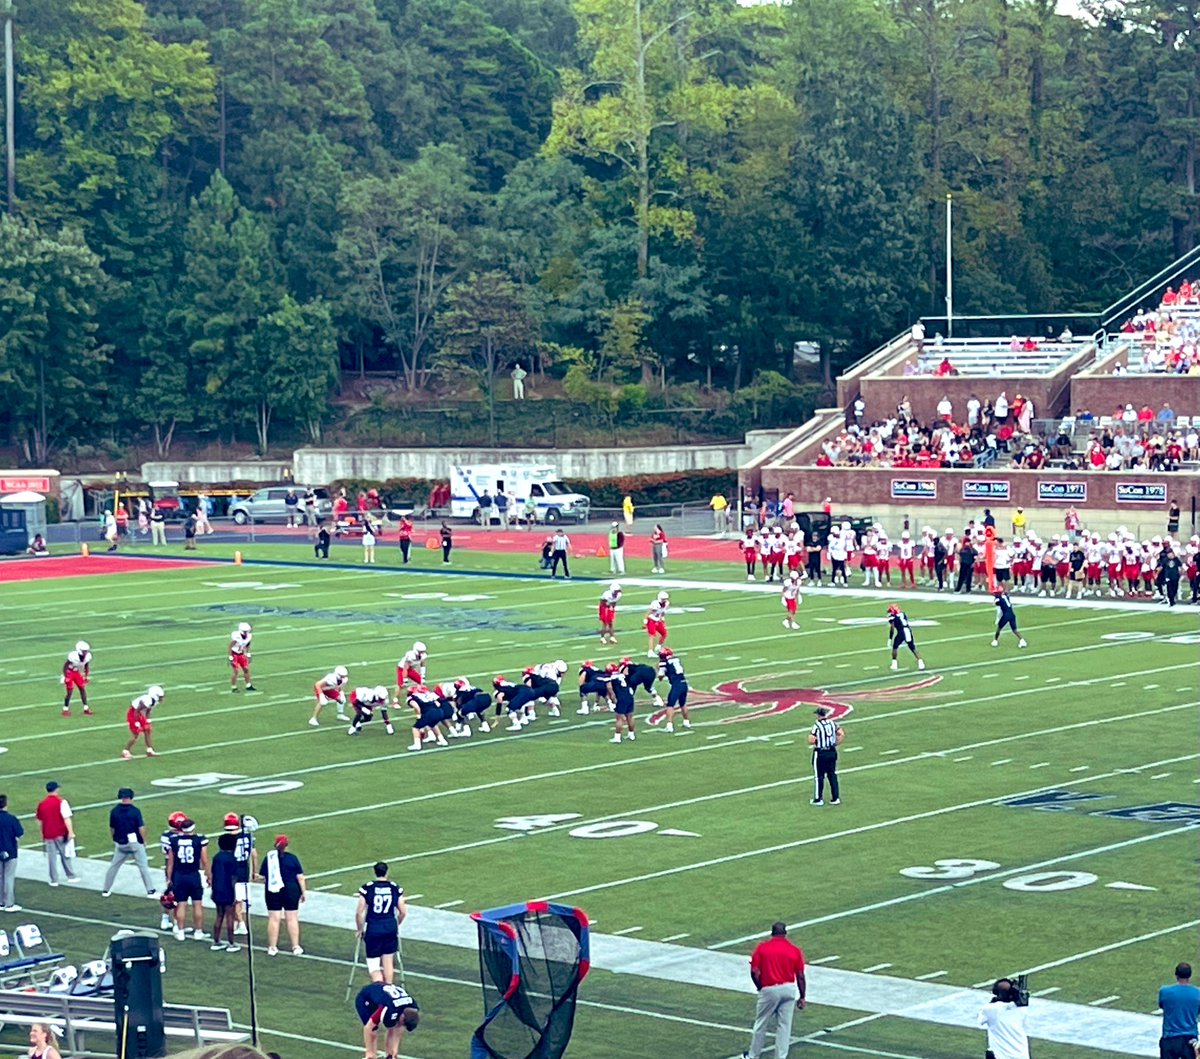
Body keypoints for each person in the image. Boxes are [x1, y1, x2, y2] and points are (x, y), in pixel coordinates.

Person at [741, 922, 805, 1059]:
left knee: (761, 1023)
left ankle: (753, 1055)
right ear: (785, 933)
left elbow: (754, 971)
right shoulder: (794, 950)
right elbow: (800, 976)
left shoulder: (762, 948)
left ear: (772, 933)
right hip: (789, 988)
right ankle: (780, 1057)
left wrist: (759, 986)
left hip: (769, 988)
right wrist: (802, 996)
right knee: (784, 1026)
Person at [356, 862, 408, 984]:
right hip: (390, 927)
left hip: (374, 928)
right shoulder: (394, 888)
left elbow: (359, 912)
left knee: (373, 965)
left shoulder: (368, 888)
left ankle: (379, 989)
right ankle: (388, 988)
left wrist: (360, 929)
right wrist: (396, 924)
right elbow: (403, 911)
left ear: (375, 872)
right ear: (387, 872)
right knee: (388, 961)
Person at [101, 787, 156, 897]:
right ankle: (150, 890)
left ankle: (106, 890)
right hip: (134, 842)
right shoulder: (135, 811)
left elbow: (112, 828)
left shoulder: (114, 811)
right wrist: (144, 841)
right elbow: (141, 828)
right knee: (143, 866)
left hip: (121, 842)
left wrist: (115, 839)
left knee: (114, 866)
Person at [259, 835, 306, 956]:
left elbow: (263, 876)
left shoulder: (269, 858)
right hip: (291, 890)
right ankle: (295, 946)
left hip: (273, 891)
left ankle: (272, 947)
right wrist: (303, 892)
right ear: (287, 845)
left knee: (274, 918)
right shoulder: (292, 858)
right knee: (292, 918)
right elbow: (300, 877)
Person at [167, 818, 210, 941]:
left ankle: (180, 932)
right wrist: (209, 876)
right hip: (193, 875)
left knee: (181, 904)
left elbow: (170, 862)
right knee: (197, 904)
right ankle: (198, 931)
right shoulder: (199, 840)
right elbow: (205, 860)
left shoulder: (174, 840)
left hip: (179, 876)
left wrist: (169, 878)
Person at [355, 982, 420, 1059]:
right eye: (403, 1023)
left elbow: (397, 1029)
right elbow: (369, 1027)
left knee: (396, 1027)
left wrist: (392, 1053)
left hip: (384, 996)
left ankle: (390, 1054)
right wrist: (370, 1053)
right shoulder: (389, 1009)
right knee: (373, 1030)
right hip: (366, 998)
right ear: (402, 1016)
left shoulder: (413, 1007)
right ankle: (370, 1054)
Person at [35, 781, 78, 886]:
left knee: (52, 858)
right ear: (57, 789)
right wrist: (71, 832)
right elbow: (67, 819)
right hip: (60, 832)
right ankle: (70, 875)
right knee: (65, 855)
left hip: (48, 833)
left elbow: (40, 820)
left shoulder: (42, 804)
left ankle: (54, 879)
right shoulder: (61, 802)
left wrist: (43, 832)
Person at [978, 979, 1030, 1059]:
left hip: (1001, 1056)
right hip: (1021, 1056)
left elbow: (980, 1020)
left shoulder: (990, 1009)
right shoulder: (1022, 1009)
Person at [1158, 962, 1199, 1059]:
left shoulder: (1165, 991)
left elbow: (1162, 1005)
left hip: (1170, 1038)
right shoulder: (1197, 993)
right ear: (1190, 975)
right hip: (1190, 1039)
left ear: (1176, 974)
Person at [208, 833, 241, 952]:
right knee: (230, 917)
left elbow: (213, 873)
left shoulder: (216, 857)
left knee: (219, 916)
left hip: (217, 889)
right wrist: (235, 894)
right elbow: (233, 877)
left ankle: (216, 941)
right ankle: (231, 943)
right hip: (228, 890)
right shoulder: (232, 859)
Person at [808, 706, 843, 806]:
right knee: (832, 775)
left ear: (819, 715)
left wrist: (817, 741)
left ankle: (818, 799)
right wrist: (835, 743)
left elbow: (811, 740)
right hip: (832, 751)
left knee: (819, 776)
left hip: (821, 753)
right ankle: (835, 798)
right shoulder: (832, 723)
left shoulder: (817, 725)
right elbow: (841, 733)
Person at [121, 684, 164, 759]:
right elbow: (136, 711)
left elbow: (148, 709)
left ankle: (149, 750)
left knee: (147, 730)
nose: (162, 699)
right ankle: (126, 751)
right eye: (160, 697)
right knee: (136, 733)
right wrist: (137, 723)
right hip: (133, 714)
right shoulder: (147, 700)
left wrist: (148, 720)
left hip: (139, 714)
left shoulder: (153, 701)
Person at [655, 646, 690, 733]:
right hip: (684, 682)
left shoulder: (664, 662)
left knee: (670, 705)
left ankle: (669, 725)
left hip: (677, 685)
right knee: (683, 704)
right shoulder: (676, 659)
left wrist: (659, 669)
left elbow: (660, 677)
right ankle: (686, 722)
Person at [0, 794, 23, 912]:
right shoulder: (12, 819)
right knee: (8, 877)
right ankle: (8, 903)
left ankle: (0, 902)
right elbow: (19, 834)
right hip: (10, 851)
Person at [887, 603, 926, 671]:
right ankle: (921, 663)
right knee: (912, 647)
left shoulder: (893, 617)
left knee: (895, 647)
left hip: (901, 632)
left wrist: (890, 638)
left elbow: (892, 628)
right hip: (908, 630)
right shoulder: (903, 614)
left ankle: (894, 664)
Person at [62, 639, 93, 716]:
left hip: (76, 672)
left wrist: (86, 676)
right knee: (70, 691)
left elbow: (86, 666)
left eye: (86, 651)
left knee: (82, 688)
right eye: (84, 651)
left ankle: (86, 708)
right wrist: (66, 676)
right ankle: (65, 709)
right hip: (70, 672)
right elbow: (65, 666)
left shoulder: (87, 656)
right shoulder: (73, 656)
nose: (85, 652)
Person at [229, 621, 256, 692]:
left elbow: (247, 645)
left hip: (241, 654)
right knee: (236, 671)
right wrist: (230, 657)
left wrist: (248, 654)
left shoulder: (249, 636)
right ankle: (234, 687)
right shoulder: (236, 636)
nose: (246, 633)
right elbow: (230, 646)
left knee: (246, 670)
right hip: (234, 654)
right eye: (245, 631)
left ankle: (248, 685)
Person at [645, 590, 669, 656]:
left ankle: (658, 646)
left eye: (665, 599)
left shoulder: (666, 603)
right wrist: (645, 620)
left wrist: (663, 617)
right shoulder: (655, 604)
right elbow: (649, 612)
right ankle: (650, 651)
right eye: (663, 599)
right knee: (652, 635)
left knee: (664, 633)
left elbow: (663, 611)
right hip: (651, 619)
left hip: (658, 620)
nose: (664, 600)